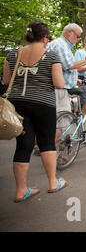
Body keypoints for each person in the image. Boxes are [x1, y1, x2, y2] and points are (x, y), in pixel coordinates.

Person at [1, 22, 68, 202]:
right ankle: (53, 182)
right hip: (42, 103)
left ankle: (21, 190)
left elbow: (6, 80)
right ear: (45, 37)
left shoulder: (13, 53)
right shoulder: (51, 55)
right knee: (47, 142)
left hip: (17, 103)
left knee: (23, 144)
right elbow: (59, 83)